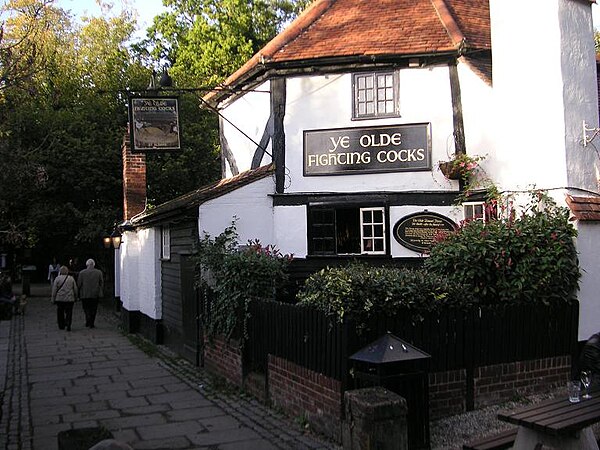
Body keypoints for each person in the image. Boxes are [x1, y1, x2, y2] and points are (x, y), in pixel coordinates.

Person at [77, 258, 103, 328]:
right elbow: (101, 283)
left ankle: (88, 318)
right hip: (95, 293)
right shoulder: (99, 272)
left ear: (87, 264)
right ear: (94, 265)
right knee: (94, 308)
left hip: (85, 294)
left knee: (86, 308)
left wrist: (79, 292)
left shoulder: (82, 273)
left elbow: (79, 284)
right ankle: (92, 322)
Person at [51, 266, 78, 331]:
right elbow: (75, 289)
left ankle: (61, 325)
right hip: (69, 298)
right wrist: (76, 297)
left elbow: (54, 290)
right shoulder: (71, 278)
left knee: (60, 312)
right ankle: (68, 323)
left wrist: (53, 299)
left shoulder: (57, 279)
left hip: (60, 298)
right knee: (69, 312)